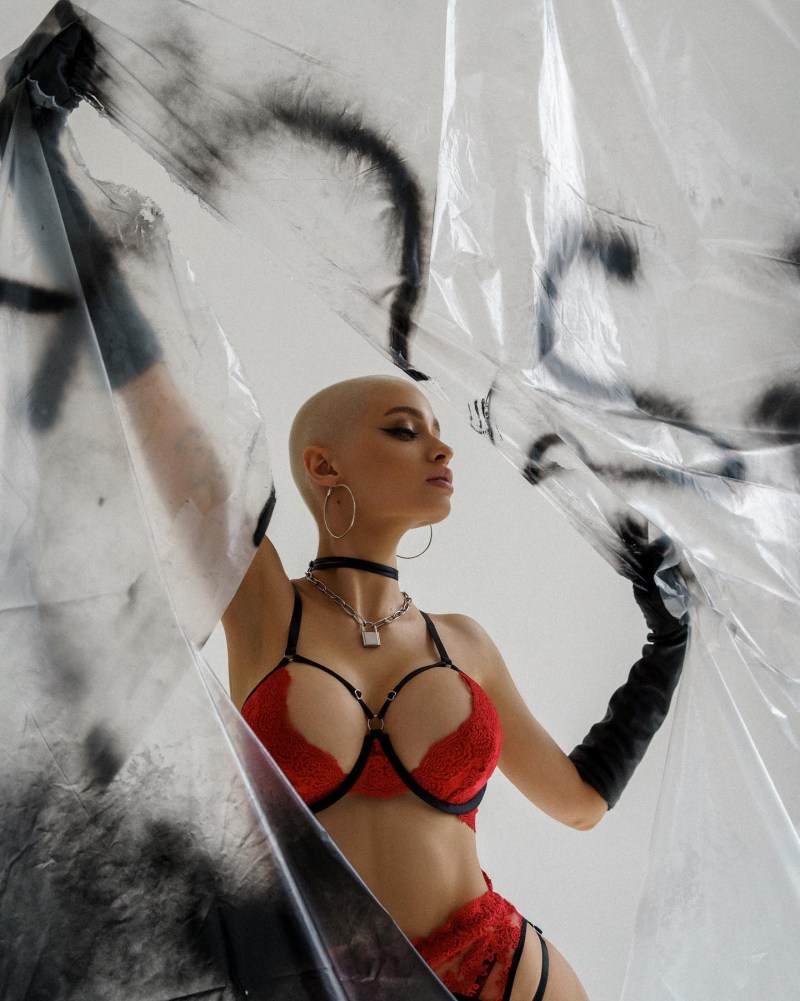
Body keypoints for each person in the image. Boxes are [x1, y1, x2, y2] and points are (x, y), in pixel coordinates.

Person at [221, 374, 689, 1001]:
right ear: (323, 466)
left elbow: (580, 804)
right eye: (404, 430)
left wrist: (668, 642)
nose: (442, 450)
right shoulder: (263, 608)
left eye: (439, 435)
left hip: (494, 973)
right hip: (315, 981)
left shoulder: (464, 644)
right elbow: (170, 434)